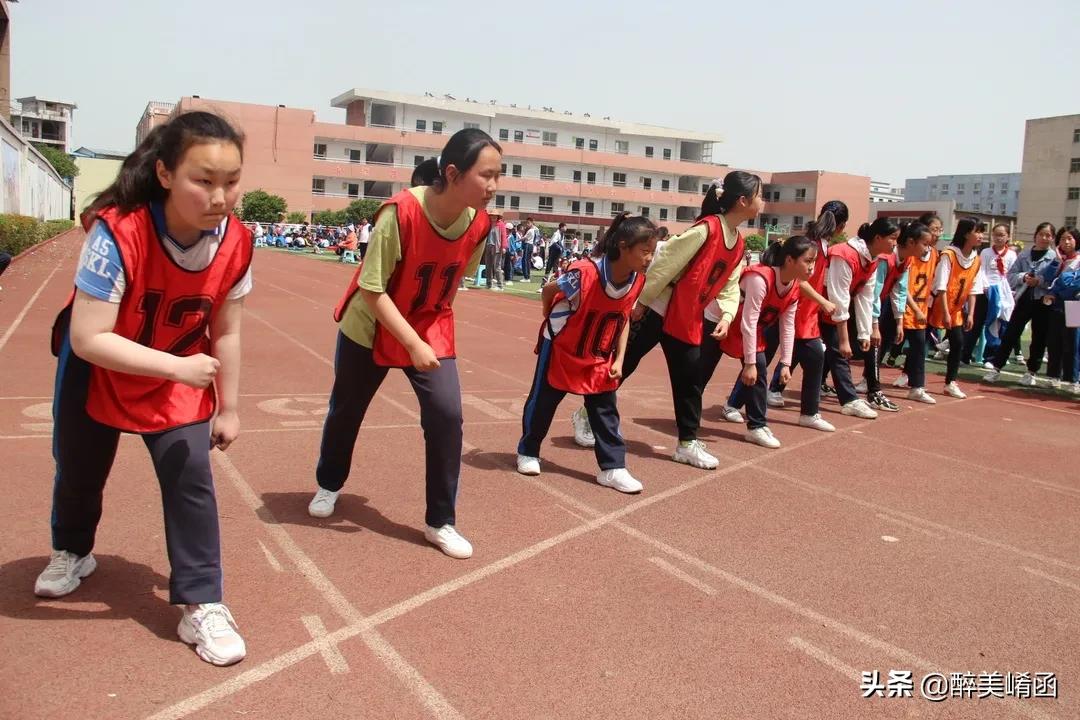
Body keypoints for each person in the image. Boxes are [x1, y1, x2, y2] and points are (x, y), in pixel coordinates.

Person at [36, 111, 252, 666]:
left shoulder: (237, 244)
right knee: (80, 471)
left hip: (175, 368)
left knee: (190, 476)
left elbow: (227, 330)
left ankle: (201, 602)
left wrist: (228, 407)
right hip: (102, 365)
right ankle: (72, 551)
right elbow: (88, 337)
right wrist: (179, 370)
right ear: (163, 173)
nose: (220, 196)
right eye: (202, 180)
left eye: (231, 181)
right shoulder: (118, 230)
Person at [308, 129, 502, 560]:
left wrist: (425, 334)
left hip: (428, 324)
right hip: (370, 326)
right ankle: (329, 483)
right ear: (452, 173)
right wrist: (413, 343)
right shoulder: (398, 214)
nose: (493, 186)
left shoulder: (481, 224)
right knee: (347, 410)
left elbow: (455, 280)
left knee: (447, 416)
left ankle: (441, 521)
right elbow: (373, 290)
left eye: (498, 175)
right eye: (485, 175)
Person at [573, 170, 759, 470]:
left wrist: (727, 313)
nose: (761, 202)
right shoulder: (705, 230)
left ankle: (686, 443)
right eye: (759, 195)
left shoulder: (738, 243)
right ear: (742, 200)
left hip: (686, 318)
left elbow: (729, 282)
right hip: (657, 309)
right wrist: (642, 302)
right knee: (624, 364)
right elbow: (663, 264)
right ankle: (585, 414)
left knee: (690, 380)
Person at [516, 213, 657, 492]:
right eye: (644, 252)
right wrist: (548, 313)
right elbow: (549, 290)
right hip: (562, 348)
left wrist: (618, 359)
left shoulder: (637, 281)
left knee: (605, 409)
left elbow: (623, 318)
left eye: (652, 253)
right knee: (543, 402)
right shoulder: (585, 273)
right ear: (623, 246)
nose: (649, 258)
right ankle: (528, 451)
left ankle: (613, 467)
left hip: (598, 353)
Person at [702, 235, 811, 448]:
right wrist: (748, 364)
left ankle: (757, 426)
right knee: (701, 372)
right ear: (790, 260)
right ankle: (687, 417)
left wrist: (786, 362)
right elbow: (748, 322)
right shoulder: (760, 278)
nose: (812, 267)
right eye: (808, 261)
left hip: (746, 327)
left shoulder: (794, 287)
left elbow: (787, 327)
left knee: (759, 368)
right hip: (720, 320)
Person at [817, 217, 900, 419]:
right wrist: (845, 339)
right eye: (892, 238)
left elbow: (866, 296)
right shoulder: (844, 254)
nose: (895, 244)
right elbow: (839, 296)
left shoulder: (872, 259)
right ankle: (850, 400)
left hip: (835, 311)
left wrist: (867, 331)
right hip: (820, 308)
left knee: (825, 354)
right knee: (836, 350)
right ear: (878, 237)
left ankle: (775, 388)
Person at [856, 221, 927, 411]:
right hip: (858, 302)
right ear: (911, 242)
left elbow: (900, 291)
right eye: (924, 244)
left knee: (840, 347)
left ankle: (870, 389)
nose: (927, 249)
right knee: (867, 345)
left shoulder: (907, 261)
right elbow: (873, 292)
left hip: (869, 303)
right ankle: (873, 391)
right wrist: (874, 325)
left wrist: (899, 322)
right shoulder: (884, 259)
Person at [985, 223, 1058, 386]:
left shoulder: (1054, 257)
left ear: (1052, 238)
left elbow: (1055, 281)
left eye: (1048, 235)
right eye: (1041, 234)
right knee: (1010, 334)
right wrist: (1024, 277)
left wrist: (1040, 281)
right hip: (1024, 300)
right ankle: (996, 368)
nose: (1044, 238)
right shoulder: (1024, 255)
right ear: (1035, 236)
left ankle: (1031, 372)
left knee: (1039, 338)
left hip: (1043, 302)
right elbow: (1010, 276)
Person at [929, 217, 985, 399]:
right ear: (966, 233)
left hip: (957, 309)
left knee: (958, 343)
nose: (981, 235)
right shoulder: (949, 255)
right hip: (937, 305)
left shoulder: (976, 259)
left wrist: (971, 314)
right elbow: (941, 286)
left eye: (982, 231)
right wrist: (945, 313)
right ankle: (907, 374)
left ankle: (950, 382)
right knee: (918, 339)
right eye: (977, 231)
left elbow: (975, 287)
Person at [963, 223, 1016, 366]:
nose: (998, 238)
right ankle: (965, 355)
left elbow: (1010, 274)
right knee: (976, 323)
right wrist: (986, 287)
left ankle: (990, 357)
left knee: (996, 325)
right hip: (984, 291)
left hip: (1001, 294)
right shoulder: (986, 252)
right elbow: (981, 270)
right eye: (995, 235)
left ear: (1008, 237)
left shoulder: (1011, 255)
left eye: (1001, 235)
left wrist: (1006, 291)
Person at [1040, 226, 1080, 390]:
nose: (1066, 242)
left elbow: (1074, 284)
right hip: (1056, 306)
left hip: (1074, 305)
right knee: (1054, 340)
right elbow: (1046, 278)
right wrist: (1057, 261)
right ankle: (1053, 376)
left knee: (1073, 342)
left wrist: (1055, 292)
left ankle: (1074, 379)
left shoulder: (1078, 260)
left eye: (1070, 238)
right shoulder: (1058, 260)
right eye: (1063, 239)